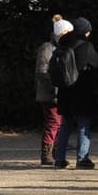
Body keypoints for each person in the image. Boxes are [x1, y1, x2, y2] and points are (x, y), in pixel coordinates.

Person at [55, 17, 98, 169]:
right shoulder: (86, 47)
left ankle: (59, 158)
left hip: (64, 89)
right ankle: (82, 158)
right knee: (83, 124)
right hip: (81, 91)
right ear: (85, 32)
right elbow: (96, 64)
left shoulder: (62, 44)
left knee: (66, 125)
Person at [35, 15, 70, 165]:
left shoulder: (60, 48)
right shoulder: (47, 48)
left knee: (59, 122)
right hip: (49, 94)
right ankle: (47, 153)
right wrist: (55, 88)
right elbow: (42, 71)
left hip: (57, 93)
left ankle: (54, 150)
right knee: (53, 122)